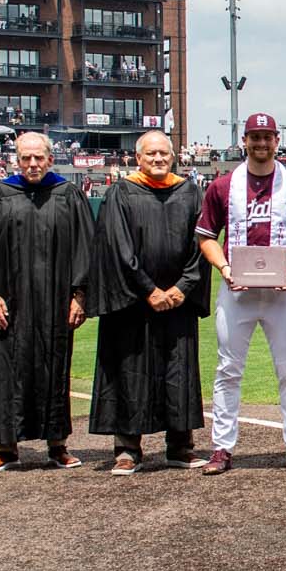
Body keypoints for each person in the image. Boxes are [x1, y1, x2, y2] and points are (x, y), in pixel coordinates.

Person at [195, 112, 286, 476]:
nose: (262, 143)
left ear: (277, 140)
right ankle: (222, 447)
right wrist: (226, 268)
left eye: (268, 137)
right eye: (255, 137)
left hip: (281, 293)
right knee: (228, 369)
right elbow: (206, 236)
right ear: (245, 141)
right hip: (238, 291)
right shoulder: (222, 186)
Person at [0, 131, 94, 472]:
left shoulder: (68, 194)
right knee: (6, 369)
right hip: (10, 303)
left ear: (51, 159)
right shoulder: (0, 195)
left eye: (39, 158)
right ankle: (5, 448)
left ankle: (58, 445)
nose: (33, 164)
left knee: (56, 368)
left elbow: (85, 247)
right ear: (16, 160)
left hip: (56, 302)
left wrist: (79, 296)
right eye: (26, 158)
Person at [88, 131, 209, 473]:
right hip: (133, 303)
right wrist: (148, 289)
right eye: (150, 154)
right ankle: (128, 446)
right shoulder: (121, 193)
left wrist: (182, 287)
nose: (158, 159)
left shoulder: (189, 192)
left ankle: (180, 445)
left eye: (163, 154)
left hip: (178, 302)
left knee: (177, 370)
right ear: (137, 158)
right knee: (129, 370)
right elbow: (117, 246)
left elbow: (201, 245)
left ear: (173, 157)